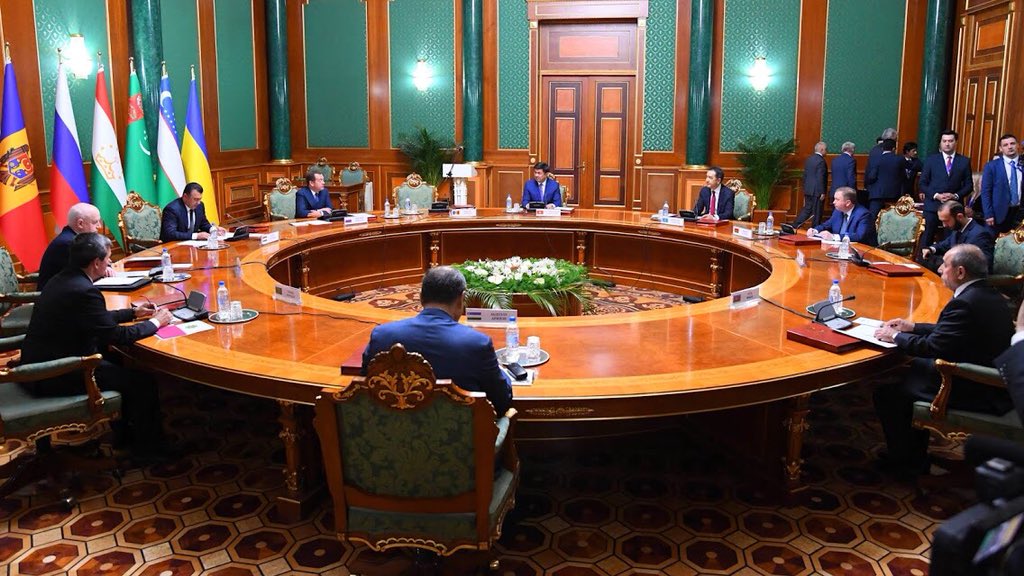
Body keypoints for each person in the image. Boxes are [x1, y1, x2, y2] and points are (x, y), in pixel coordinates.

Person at [20, 232, 175, 453]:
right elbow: (118, 336)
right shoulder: (85, 291)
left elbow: (91, 319)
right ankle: (150, 450)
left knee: (116, 362)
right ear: (96, 263)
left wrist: (132, 313)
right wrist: (156, 322)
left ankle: (126, 435)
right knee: (143, 383)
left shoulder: (63, 279)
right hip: (56, 372)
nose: (110, 263)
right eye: (108, 259)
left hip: (39, 363)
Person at [872, 244, 1013, 477]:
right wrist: (912, 327)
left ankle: (906, 465)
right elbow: (952, 331)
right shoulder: (987, 294)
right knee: (910, 372)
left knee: (889, 396)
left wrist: (895, 336)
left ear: (960, 272)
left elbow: (933, 347)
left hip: (974, 387)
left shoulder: (964, 302)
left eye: (945, 265)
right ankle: (913, 455)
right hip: (989, 376)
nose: (939, 269)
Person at [361, 266, 513, 415]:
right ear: (461, 299)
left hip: (391, 428)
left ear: (420, 297)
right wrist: (501, 371)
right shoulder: (477, 344)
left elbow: (365, 389)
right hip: (459, 431)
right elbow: (501, 403)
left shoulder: (381, 335)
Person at [37, 203, 113, 290]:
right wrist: (103, 268)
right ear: (80, 223)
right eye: (95, 222)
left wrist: (104, 264)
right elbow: (83, 274)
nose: (99, 226)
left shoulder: (75, 239)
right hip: (55, 295)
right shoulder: (68, 244)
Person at [919, 130, 973, 247]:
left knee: (952, 240)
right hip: (932, 206)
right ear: (940, 143)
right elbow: (922, 183)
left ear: (956, 142)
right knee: (926, 237)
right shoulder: (931, 160)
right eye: (944, 141)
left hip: (953, 208)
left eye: (950, 141)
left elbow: (969, 185)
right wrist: (936, 195)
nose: (947, 144)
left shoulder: (964, 161)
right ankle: (924, 257)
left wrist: (955, 196)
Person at [920, 201, 994, 272]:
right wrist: (930, 249)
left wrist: (948, 264)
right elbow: (944, 245)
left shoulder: (980, 234)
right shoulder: (957, 228)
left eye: (946, 221)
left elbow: (984, 264)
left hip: (967, 274)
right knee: (924, 259)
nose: (944, 225)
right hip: (954, 271)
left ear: (959, 216)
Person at [980, 133, 1022, 233]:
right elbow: (986, 192)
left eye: (1012, 143)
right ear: (1000, 148)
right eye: (1005, 145)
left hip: (1020, 213)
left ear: (1017, 145)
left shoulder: (1022, 164)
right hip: (998, 214)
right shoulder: (991, 166)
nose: (1010, 147)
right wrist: (988, 213)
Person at [806, 186, 875, 244]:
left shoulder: (864, 214)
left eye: (837, 199)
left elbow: (860, 236)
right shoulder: (838, 211)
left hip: (861, 250)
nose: (833, 202)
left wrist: (833, 237)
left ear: (848, 203)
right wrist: (815, 230)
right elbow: (827, 225)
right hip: (839, 248)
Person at [865, 138, 905, 222]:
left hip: (877, 194)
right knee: (892, 219)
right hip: (893, 194)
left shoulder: (876, 159)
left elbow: (871, 176)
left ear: (882, 148)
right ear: (894, 148)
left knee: (872, 219)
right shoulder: (900, 159)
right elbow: (903, 177)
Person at [793, 141, 828, 228]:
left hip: (808, 189)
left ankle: (795, 225)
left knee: (807, 209)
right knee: (817, 212)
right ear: (822, 149)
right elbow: (820, 177)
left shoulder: (809, 159)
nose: (826, 152)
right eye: (826, 150)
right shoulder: (821, 161)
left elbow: (805, 175)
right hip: (817, 191)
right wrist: (822, 192)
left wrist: (805, 188)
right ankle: (815, 229)